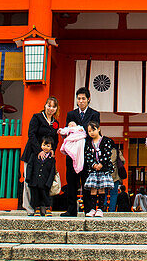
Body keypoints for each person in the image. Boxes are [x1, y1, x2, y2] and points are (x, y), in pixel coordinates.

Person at [62, 88, 100, 216]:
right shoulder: (70, 114)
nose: (81, 101)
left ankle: (88, 209)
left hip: (87, 153)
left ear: (88, 99)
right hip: (72, 154)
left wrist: (76, 128)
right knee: (71, 182)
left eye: (83, 98)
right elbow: (67, 133)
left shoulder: (94, 114)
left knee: (87, 182)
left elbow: (93, 132)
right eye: (79, 98)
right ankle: (71, 210)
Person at [21, 96, 59, 215]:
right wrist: (39, 151)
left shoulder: (55, 122)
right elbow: (31, 134)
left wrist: (52, 150)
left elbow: (55, 139)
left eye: (53, 106)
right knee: (29, 181)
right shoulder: (37, 117)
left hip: (46, 157)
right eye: (49, 105)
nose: (51, 109)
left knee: (42, 182)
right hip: (32, 153)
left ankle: (42, 206)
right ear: (45, 105)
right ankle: (29, 208)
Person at [83, 121, 114, 217]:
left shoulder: (106, 141)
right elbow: (87, 156)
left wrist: (101, 164)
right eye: (89, 131)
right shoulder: (88, 143)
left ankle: (100, 208)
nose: (91, 132)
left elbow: (108, 153)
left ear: (99, 129)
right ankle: (92, 209)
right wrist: (93, 165)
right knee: (92, 189)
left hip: (103, 169)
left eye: (93, 130)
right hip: (93, 170)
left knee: (101, 189)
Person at [26, 136, 57, 217]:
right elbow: (30, 166)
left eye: (48, 146)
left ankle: (47, 208)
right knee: (35, 195)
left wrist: (49, 182)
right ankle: (37, 208)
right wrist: (28, 178)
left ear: (51, 147)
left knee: (45, 195)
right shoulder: (34, 155)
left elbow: (52, 171)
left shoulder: (51, 158)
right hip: (35, 180)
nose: (45, 147)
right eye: (44, 145)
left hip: (45, 180)